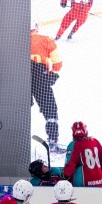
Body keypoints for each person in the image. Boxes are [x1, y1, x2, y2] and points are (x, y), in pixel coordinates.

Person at [31, 20, 63, 151]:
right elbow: (57, 63)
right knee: (50, 110)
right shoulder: (47, 40)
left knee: (19, 110)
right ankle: (53, 142)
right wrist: (53, 75)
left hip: (21, 78)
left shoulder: (18, 41)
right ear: (36, 27)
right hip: (41, 77)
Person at [63, 121, 102, 187]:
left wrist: (63, 177)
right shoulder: (95, 141)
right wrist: (99, 177)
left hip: (82, 185)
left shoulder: (74, 145)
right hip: (98, 183)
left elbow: (70, 166)